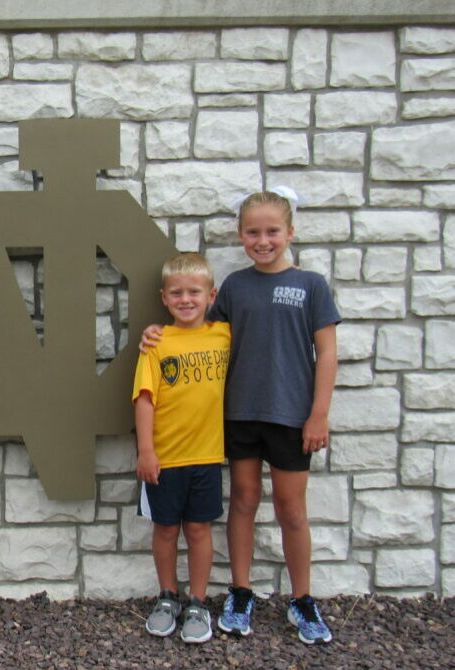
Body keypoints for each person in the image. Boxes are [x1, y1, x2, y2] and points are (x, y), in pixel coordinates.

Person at [141, 188, 340, 645]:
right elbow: (199, 329)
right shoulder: (234, 287)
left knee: (292, 510)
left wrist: (319, 414)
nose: (263, 239)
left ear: (290, 232)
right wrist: (157, 329)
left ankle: (302, 600)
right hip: (240, 417)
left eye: (272, 231)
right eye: (253, 231)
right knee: (244, 502)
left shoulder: (311, 285)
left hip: (292, 418)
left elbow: (327, 354)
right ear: (241, 235)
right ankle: (241, 592)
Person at [133, 253, 230, 644]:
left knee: (199, 530)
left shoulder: (224, 335)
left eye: (195, 292)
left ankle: (198, 602)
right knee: (166, 529)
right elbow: (144, 399)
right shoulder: (156, 343)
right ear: (164, 297)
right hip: (165, 458)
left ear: (211, 295)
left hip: (207, 456)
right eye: (177, 293)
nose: (186, 299)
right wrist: (145, 451)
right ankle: (168, 596)